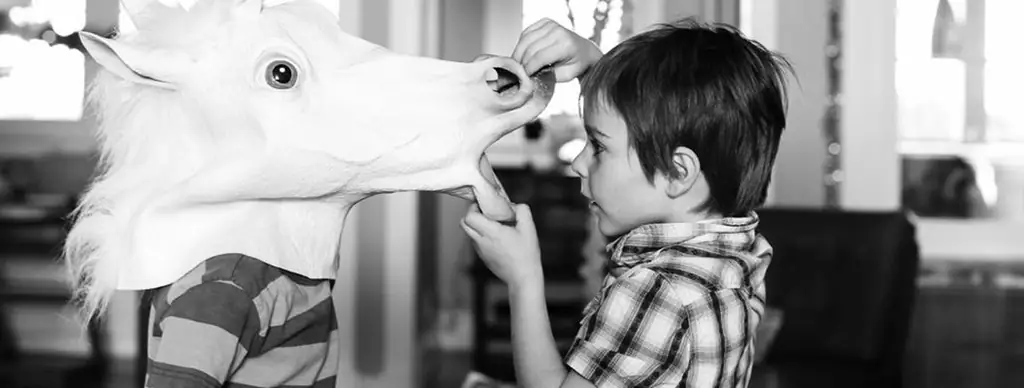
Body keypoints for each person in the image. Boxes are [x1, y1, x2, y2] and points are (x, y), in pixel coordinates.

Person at [462, 17, 793, 388]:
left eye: (598, 147)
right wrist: (592, 63)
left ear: (678, 172)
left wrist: (523, 278)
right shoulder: (736, 257)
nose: (579, 161)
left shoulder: (658, 291)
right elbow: (641, 132)